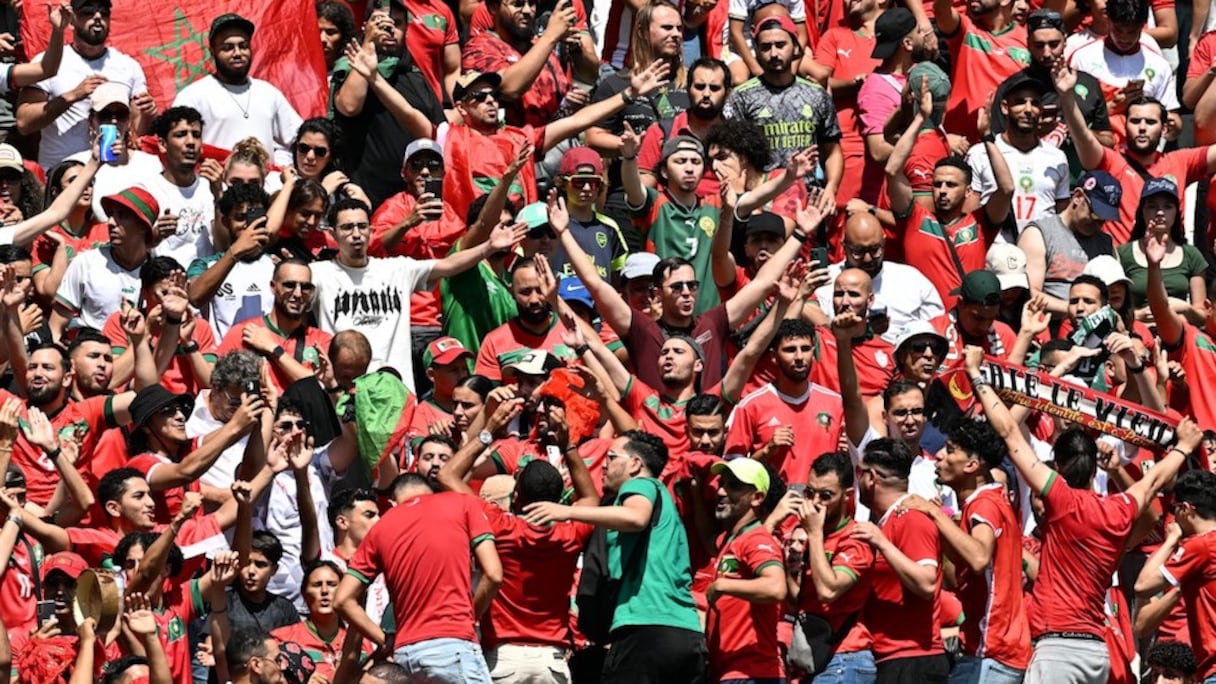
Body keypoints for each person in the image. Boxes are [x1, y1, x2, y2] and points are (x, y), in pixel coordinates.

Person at [964, 345, 1202, 684]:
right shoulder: (1120, 507)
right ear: (1095, 468)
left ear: (1059, 467)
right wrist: (1183, 448)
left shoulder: (1060, 499)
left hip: (1057, 649)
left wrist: (976, 375)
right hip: (1096, 652)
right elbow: (1153, 482)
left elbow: (1009, 434)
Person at [521, 430, 708, 683]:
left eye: (611, 456)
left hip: (646, 630)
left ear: (635, 464)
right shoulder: (665, 503)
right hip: (686, 634)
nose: (604, 464)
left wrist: (566, 511)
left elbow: (636, 517)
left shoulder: (641, 484)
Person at [310, 197, 525, 390]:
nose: (356, 234)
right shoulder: (318, 274)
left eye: (362, 226)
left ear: (371, 230)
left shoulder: (397, 269)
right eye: (347, 228)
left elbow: (448, 265)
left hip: (398, 395)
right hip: (342, 392)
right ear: (332, 234)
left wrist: (488, 247)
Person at [335, 474, 503, 683]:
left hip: (406, 654)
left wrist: (384, 640)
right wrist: (469, 619)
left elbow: (342, 600)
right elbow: (494, 574)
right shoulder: (462, 503)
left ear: (393, 502)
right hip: (453, 645)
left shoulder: (380, 527)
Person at [904, 418, 1031, 683]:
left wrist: (934, 513)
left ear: (972, 465)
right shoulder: (989, 501)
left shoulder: (984, 504)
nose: (940, 455)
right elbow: (960, 571)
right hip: (990, 650)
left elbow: (978, 558)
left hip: (991, 651)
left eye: (950, 450)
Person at [886, 79, 1012, 309]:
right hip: (924, 322)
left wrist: (986, 136)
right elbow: (892, 171)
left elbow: (1007, 189)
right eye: (937, 184)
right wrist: (920, 119)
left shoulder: (981, 224)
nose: (942, 190)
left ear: (968, 191)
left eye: (951, 185)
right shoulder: (914, 218)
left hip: (968, 320)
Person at [331, 0, 445, 208]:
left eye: (397, 24)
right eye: (381, 23)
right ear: (366, 27)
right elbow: (348, 107)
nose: (390, 30)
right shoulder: (349, 69)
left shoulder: (416, 77)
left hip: (416, 201)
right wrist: (368, 46)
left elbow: (437, 133)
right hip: (368, 199)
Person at [851, 437, 949, 681]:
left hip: (912, 661)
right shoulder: (887, 522)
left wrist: (882, 543)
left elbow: (926, 583)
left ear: (871, 477)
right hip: (892, 660)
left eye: (859, 473)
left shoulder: (910, 519)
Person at [17, 0, 154, 169]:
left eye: (104, 12)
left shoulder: (128, 66)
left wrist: (148, 114)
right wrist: (73, 96)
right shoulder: (47, 63)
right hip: (64, 173)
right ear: (72, 19)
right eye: (88, 12)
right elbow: (24, 123)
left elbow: (137, 132)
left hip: (111, 172)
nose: (97, 17)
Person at [726, 14, 842, 191]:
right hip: (762, 195)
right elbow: (733, 157)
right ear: (756, 51)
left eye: (780, 45)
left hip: (808, 193)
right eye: (766, 47)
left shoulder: (817, 94)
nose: (774, 53)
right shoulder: (741, 96)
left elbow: (832, 151)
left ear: (795, 47)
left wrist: (831, 187)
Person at [724, 318, 844, 485]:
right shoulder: (751, 406)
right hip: (774, 500)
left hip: (821, 499)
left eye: (806, 349)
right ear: (774, 356)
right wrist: (767, 450)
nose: (799, 357)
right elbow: (732, 471)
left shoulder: (836, 403)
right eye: (790, 350)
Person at [173, 13, 303, 165]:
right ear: (212, 52)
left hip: (265, 180)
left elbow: (300, 139)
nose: (237, 53)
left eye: (243, 46)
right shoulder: (194, 96)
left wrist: (282, 165)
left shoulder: (269, 93)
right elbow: (175, 145)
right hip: (213, 179)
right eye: (228, 48)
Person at [794, 451, 878, 681]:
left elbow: (828, 591)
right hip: (813, 657)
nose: (815, 503)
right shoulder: (811, 537)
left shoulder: (856, 539)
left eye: (826, 495)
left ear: (847, 496)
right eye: (809, 493)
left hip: (845, 658)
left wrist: (814, 534)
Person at [704, 458, 786, 682]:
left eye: (734, 486)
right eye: (722, 484)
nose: (721, 491)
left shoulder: (755, 538)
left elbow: (776, 587)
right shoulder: (732, 540)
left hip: (753, 672)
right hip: (734, 672)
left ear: (757, 497)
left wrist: (722, 585)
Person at [1135, 470, 1216, 684]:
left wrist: (1172, 540)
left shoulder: (1200, 545)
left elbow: (1142, 586)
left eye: (1174, 509)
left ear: (1185, 509)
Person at [810, 211, 944, 340]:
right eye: (859, 251)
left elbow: (938, 328)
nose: (868, 258)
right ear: (844, 247)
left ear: (884, 242)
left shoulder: (912, 280)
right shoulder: (825, 280)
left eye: (875, 250)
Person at [964, 73, 1069, 236]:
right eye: (1020, 102)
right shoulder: (980, 153)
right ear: (1005, 107)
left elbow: (1064, 218)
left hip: (1042, 247)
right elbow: (969, 217)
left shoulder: (1057, 157)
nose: (1028, 110)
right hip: (995, 247)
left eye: (1035, 103)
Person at [216, 259, 332, 393]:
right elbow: (217, 385)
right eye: (289, 285)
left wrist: (274, 349)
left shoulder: (322, 341)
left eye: (306, 287)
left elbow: (319, 388)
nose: (298, 294)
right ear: (273, 287)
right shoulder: (244, 333)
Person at [1017, 169, 1122, 314]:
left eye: (1104, 219)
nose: (1098, 222)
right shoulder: (1039, 234)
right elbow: (1031, 293)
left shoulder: (1105, 243)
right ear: (1078, 197)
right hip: (1049, 322)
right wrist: (1076, 309)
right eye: (1094, 213)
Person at [934, 0, 1029, 141]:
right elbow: (941, 10)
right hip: (960, 141)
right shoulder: (966, 29)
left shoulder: (1027, 40)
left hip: (1005, 143)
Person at [138, 107, 216, 269]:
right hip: (163, 279)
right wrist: (157, 234)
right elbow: (131, 247)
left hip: (208, 279)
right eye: (181, 135)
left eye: (196, 135)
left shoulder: (213, 188)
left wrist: (220, 197)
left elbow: (226, 247)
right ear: (162, 144)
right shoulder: (146, 191)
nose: (190, 142)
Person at [1117, 178, 1207, 313]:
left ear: (1176, 212)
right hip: (1138, 326)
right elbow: (1112, 307)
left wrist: (1185, 308)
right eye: (1152, 206)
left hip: (1180, 324)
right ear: (1142, 211)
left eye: (1167, 206)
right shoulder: (1123, 254)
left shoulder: (1192, 255)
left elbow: (1202, 313)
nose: (1160, 212)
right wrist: (1138, 315)